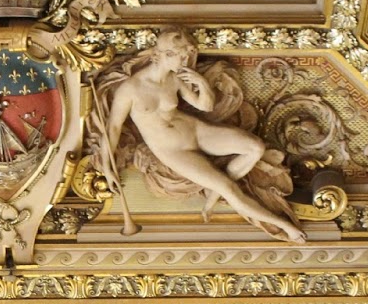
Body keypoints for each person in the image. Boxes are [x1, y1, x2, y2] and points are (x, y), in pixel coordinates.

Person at [94, 30, 305, 243]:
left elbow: (206, 105)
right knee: (229, 189)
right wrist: (106, 166)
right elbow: (112, 128)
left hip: (197, 131)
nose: (186, 60)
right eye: (181, 56)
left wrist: (201, 83)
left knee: (255, 147)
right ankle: (284, 226)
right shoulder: (131, 89)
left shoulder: (175, 78)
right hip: (173, 151)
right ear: (165, 54)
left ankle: (216, 189)